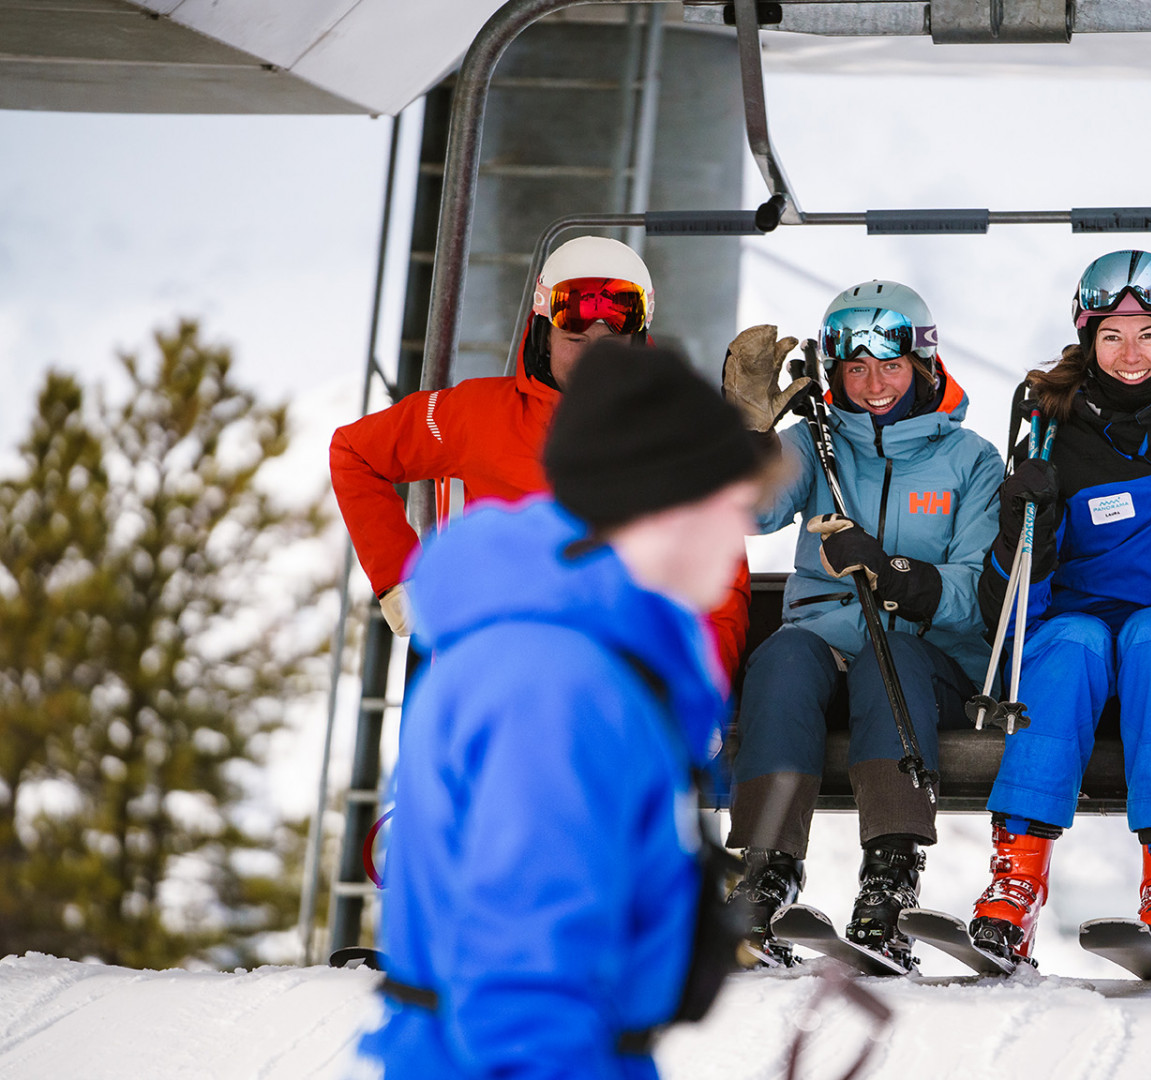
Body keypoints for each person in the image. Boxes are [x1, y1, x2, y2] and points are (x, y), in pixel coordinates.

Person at [364, 342, 774, 1080]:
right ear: (665, 507)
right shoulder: (556, 686)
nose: (739, 534)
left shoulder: (582, 646)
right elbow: (524, 986)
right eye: (731, 507)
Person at [967, 250, 1151, 971]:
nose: (1131, 354)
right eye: (1112, 337)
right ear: (1088, 339)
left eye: (1149, 335)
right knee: (1067, 639)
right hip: (1089, 647)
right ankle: (1014, 889)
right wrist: (1021, 522)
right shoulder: (1053, 436)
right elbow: (1007, 614)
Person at [720, 281, 1004, 968]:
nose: (874, 384)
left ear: (923, 365)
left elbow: (974, 593)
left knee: (893, 659)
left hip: (927, 658)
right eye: (855, 368)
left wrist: (892, 573)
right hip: (824, 645)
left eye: (890, 365)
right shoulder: (813, 443)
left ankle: (890, 871)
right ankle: (767, 867)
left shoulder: (970, 461)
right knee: (784, 657)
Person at [329, 235, 751, 681]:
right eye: (574, 336)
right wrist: (402, 577)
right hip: (497, 671)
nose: (594, 354)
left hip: (617, 682)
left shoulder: (675, 436)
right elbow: (355, 452)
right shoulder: (476, 416)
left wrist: (699, 688)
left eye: (611, 338)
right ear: (544, 334)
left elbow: (722, 584)